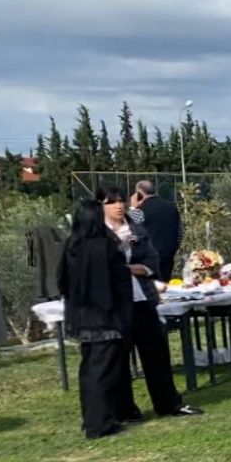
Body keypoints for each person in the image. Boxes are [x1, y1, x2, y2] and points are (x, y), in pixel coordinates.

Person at [99, 186, 203, 420]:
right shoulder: (97, 235)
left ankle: (169, 404)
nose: (118, 206)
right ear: (101, 206)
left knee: (157, 353)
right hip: (115, 303)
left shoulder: (135, 229)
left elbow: (151, 260)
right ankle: (125, 411)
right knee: (120, 358)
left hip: (144, 298)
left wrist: (132, 268)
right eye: (111, 202)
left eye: (121, 201)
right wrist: (127, 269)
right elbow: (101, 267)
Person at [59, 199, 133, 439]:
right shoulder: (105, 246)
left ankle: (92, 418)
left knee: (89, 371)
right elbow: (119, 281)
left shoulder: (72, 245)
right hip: (105, 318)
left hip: (82, 318)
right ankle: (100, 424)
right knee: (104, 373)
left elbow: (62, 282)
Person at [130, 180, 183, 282]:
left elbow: (131, 229)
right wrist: (173, 249)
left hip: (147, 260)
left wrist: (132, 208)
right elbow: (180, 233)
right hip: (168, 257)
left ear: (139, 194)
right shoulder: (171, 207)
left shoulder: (141, 210)